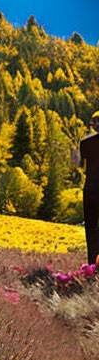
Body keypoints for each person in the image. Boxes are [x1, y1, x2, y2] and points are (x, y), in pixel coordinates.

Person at [81, 111, 99, 265]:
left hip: (91, 190)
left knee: (91, 230)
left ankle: (92, 266)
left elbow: (78, 166)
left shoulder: (85, 143)